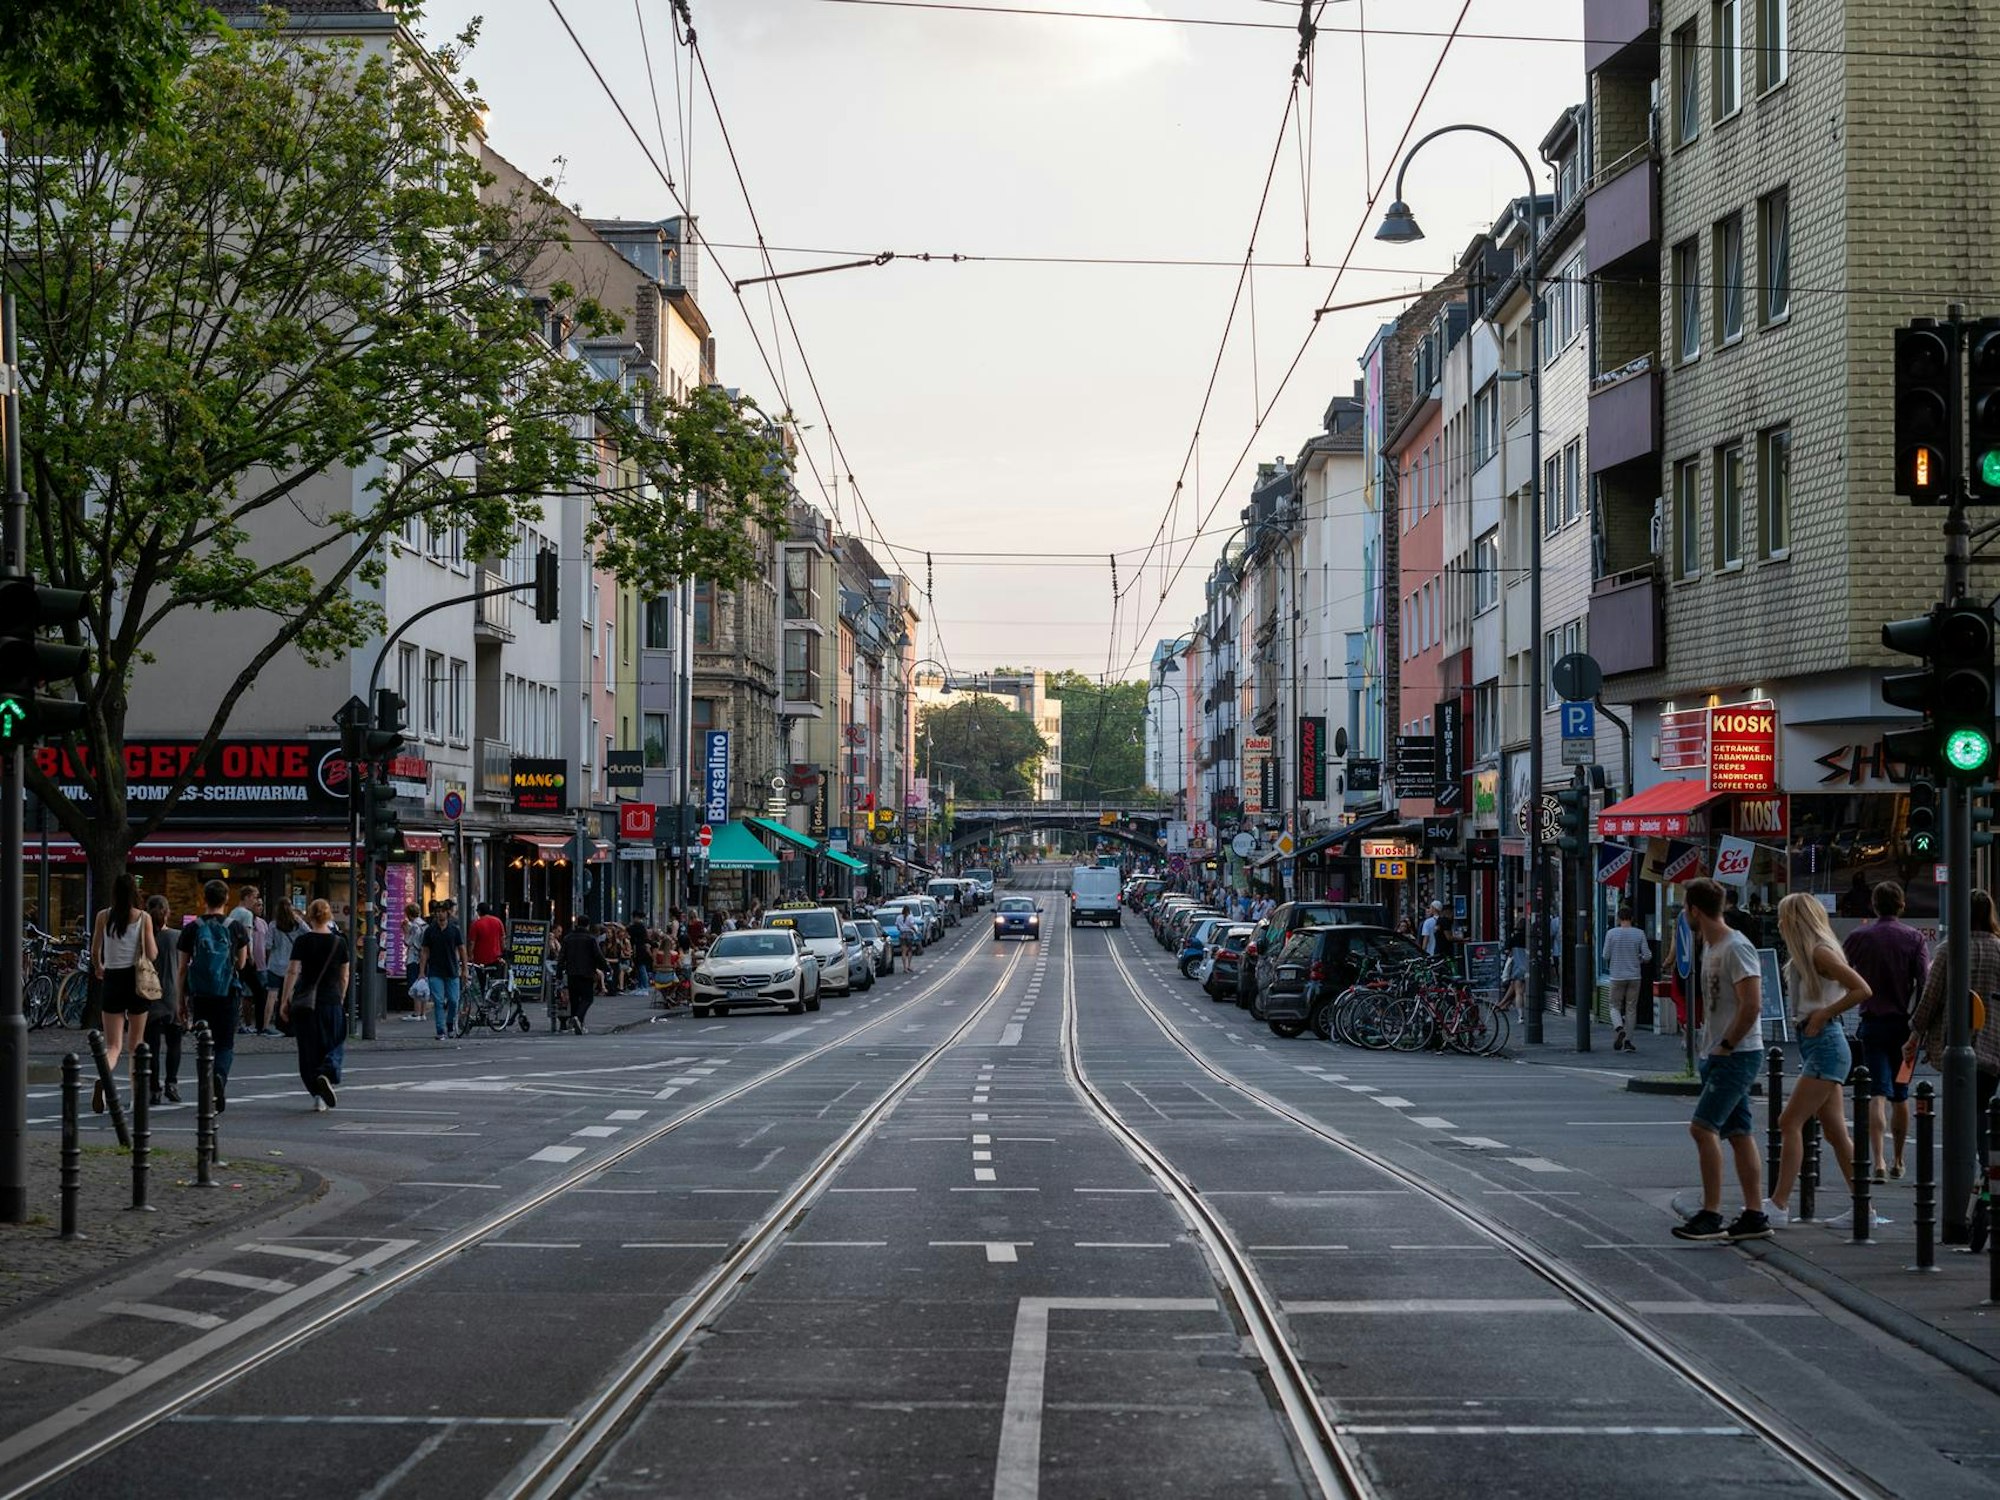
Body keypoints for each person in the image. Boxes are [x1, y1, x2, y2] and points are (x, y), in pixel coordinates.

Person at [1671, 877, 1771, 1243]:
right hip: (1718, 1051)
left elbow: (1753, 1004)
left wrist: (1726, 1045)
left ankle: (1712, 1212)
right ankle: (1754, 1213)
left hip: (1737, 1053)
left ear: (1694, 910)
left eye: (1685, 909)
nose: (1685, 916)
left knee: (1702, 1128)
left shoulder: (1735, 947)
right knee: (1738, 1132)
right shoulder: (1710, 947)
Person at [1765, 893, 1870, 1227]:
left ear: (1796, 921)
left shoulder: (1818, 952)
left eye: (1783, 917)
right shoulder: (1809, 954)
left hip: (1825, 1044)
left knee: (1789, 1122)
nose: (1779, 923)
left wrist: (1823, 1014)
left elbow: (1862, 989)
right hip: (1820, 1044)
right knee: (1836, 1134)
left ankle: (1779, 1205)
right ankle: (1863, 1208)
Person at [1908, 888, 2000, 1234]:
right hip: (1994, 1046)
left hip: (1955, 1045)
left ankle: (1977, 1179)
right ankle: (1985, 1173)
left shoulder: (1948, 949)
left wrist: (1914, 1034)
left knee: (1966, 1116)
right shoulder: (1998, 949)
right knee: (1984, 1111)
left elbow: (1930, 998)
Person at [1842, 880, 1929, 1180]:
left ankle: (1877, 1160)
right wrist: (1918, 1020)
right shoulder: (1914, 938)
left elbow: (1842, 970)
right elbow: (1924, 982)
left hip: (1872, 1024)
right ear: (1902, 905)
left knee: (1877, 1090)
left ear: (1874, 905)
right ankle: (1898, 1159)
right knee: (1901, 1094)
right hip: (1905, 1030)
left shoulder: (1858, 936)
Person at [179, 878, 255, 1113]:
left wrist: (180, 1000)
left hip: (200, 994)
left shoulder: (192, 928)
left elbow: (182, 968)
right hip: (227, 992)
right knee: (225, 1044)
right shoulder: (235, 927)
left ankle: (208, 1083)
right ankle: (220, 1076)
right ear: (226, 900)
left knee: (205, 1043)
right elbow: (242, 964)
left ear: (204, 899)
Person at [89, 873, 159, 1114]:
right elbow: (152, 953)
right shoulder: (144, 918)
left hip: (112, 979)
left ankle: (104, 1079)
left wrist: (99, 967)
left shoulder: (103, 916)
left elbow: (95, 949)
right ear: (135, 893)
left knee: (112, 1046)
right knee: (136, 1044)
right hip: (137, 981)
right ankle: (136, 1099)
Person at [279, 899, 351, 1112]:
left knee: (308, 1049)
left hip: (305, 1004)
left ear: (310, 916)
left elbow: (292, 971)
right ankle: (327, 1072)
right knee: (335, 1041)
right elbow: (344, 975)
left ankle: (317, 1093)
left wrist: (285, 1000)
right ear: (329, 916)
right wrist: (341, 997)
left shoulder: (302, 941)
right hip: (331, 1001)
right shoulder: (340, 943)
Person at [145, 896, 184, 1105]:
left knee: (152, 1046)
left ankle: (154, 1088)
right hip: (173, 995)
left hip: (149, 996)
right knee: (174, 1043)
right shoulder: (177, 937)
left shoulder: (143, 938)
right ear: (167, 912)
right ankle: (171, 1083)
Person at [1602, 904, 1653, 1053]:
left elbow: (1605, 955)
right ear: (1632, 918)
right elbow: (1648, 956)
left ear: (1618, 919)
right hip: (1634, 976)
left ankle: (1619, 1028)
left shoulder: (1611, 933)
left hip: (1617, 975)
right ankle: (1628, 1041)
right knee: (1631, 1008)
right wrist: (1640, 959)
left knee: (1614, 1005)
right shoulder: (1639, 933)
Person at [418, 898, 465, 1040]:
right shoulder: (430, 931)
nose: (439, 914)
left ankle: (450, 1024)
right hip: (435, 971)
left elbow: (462, 950)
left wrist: (465, 969)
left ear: (447, 913)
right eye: (437, 912)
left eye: (442, 912)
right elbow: (425, 951)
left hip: (452, 970)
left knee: (453, 1001)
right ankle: (440, 1030)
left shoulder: (454, 930)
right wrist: (421, 971)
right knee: (438, 1001)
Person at [260, 900, 300, 1035]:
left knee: (271, 996)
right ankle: (290, 1025)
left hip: (275, 964)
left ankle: (265, 1026)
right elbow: (309, 932)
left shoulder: (273, 925)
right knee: (289, 996)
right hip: (292, 966)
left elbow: (268, 946)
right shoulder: (297, 924)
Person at [560, 920, 607, 1033]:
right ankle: (578, 1018)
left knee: (574, 999)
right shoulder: (590, 939)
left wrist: (559, 971)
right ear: (587, 925)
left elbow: (562, 956)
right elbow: (598, 955)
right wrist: (605, 967)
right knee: (587, 998)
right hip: (587, 973)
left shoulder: (568, 938)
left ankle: (578, 1023)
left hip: (571, 972)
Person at [403, 901, 428, 1022]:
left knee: (414, 984)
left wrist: (405, 931)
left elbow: (408, 942)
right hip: (424, 958)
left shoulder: (413, 926)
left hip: (414, 957)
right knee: (422, 984)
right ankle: (423, 1012)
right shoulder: (424, 925)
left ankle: (416, 1012)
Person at [1499, 916, 1528, 1014]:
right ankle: (1503, 1004)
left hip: (1518, 967)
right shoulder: (1529, 938)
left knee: (1519, 991)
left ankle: (1521, 1015)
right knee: (1514, 986)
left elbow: (1507, 951)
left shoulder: (1514, 938)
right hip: (1529, 967)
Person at [627, 912, 652, 993]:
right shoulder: (642, 926)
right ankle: (641, 986)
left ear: (636, 917)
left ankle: (644, 986)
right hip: (641, 948)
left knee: (641, 967)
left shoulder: (638, 926)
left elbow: (628, 929)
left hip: (639, 949)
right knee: (640, 967)